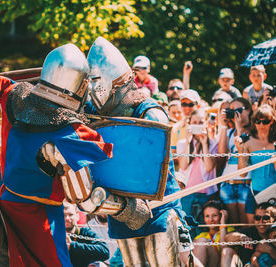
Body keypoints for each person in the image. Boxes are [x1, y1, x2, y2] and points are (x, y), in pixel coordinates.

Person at [0, 43, 138, 267]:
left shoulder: (14, 98)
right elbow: (80, 195)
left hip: (6, 203)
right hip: (40, 218)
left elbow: (0, 87)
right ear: (81, 87)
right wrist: (127, 209)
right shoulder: (71, 133)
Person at [87, 36, 189, 267]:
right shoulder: (96, 112)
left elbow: (153, 168)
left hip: (158, 205)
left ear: (115, 82)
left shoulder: (150, 113)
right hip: (123, 206)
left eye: (97, 80)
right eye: (90, 80)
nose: (94, 87)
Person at [236, 104, 276, 223]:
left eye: (265, 121)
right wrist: (241, 151)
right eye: (257, 121)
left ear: (272, 122)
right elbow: (242, 173)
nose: (261, 125)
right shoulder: (248, 142)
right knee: (253, 230)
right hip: (255, 192)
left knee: (275, 230)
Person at [177, 109, 218, 223]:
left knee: (203, 227)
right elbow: (183, 166)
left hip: (206, 193)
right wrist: (187, 142)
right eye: (194, 123)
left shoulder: (213, 143)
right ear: (189, 123)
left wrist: (204, 144)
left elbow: (209, 167)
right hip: (187, 193)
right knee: (187, 225)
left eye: (200, 123)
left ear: (205, 123)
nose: (197, 126)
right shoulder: (182, 143)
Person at [218, 97, 252, 223]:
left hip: (245, 182)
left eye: (237, 109)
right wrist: (223, 126)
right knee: (233, 224)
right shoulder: (230, 131)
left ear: (248, 110)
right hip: (228, 183)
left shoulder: (253, 131)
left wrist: (238, 126)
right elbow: (222, 152)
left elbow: (242, 147)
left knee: (246, 225)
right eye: (231, 110)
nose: (234, 113)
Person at [64, 202, 110, 267]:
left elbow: (105, 251)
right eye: (63, 215)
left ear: (77, 215)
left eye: (71, 214)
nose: (67, 218)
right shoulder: (54, 235)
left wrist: (72, 246)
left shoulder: (85, 233)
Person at [193, 201, 234, 267]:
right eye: (207, 216)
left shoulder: (229, 230)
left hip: (222, 263)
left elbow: (223, 249)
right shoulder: (202, 235)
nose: (211, 219)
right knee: (201, 241)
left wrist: (223, 223)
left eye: (214, 215)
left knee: (202, 241)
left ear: (221, 216)